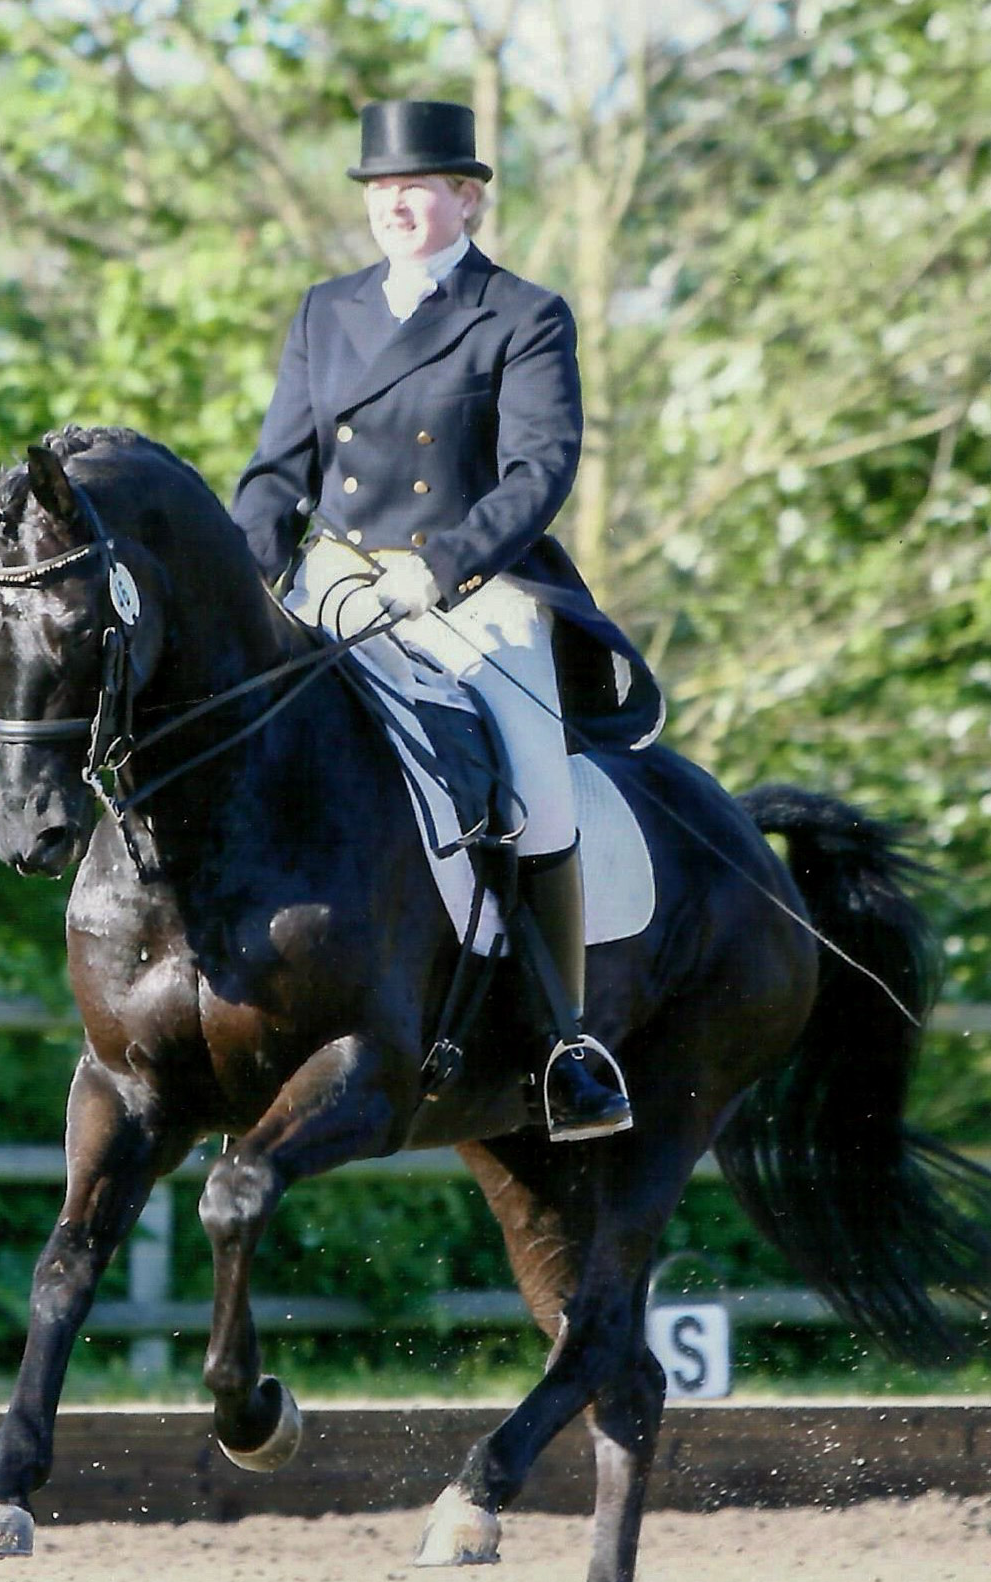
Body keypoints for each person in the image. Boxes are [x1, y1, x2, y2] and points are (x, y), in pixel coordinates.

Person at [231, 99, 663, 1141]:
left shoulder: (521, 313)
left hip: (469, 588)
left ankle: (567, 1046)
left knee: (535, 783)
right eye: (382, 192)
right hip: (331, 583)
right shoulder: (324, 313)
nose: (397, 207)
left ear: (465, 197)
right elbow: (275, 475)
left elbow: (539, 469)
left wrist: (445, 565)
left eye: (416, 190)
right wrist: (247, 581)